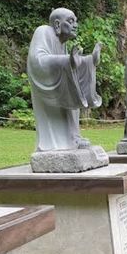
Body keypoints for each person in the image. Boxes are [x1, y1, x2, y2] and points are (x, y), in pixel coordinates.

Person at [27, 8, 102, 152]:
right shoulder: (43, 32)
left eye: (76, 21)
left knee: (73, 92)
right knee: (64, 101)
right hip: (46, 87)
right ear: (57, 25)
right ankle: (58, 144)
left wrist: (89, 61)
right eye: (70, 21)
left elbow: (72, 63)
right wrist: (67, 61)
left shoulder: (63, 43)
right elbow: (37, 61)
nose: (76, 25)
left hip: (59, 85)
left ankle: (73, 137)